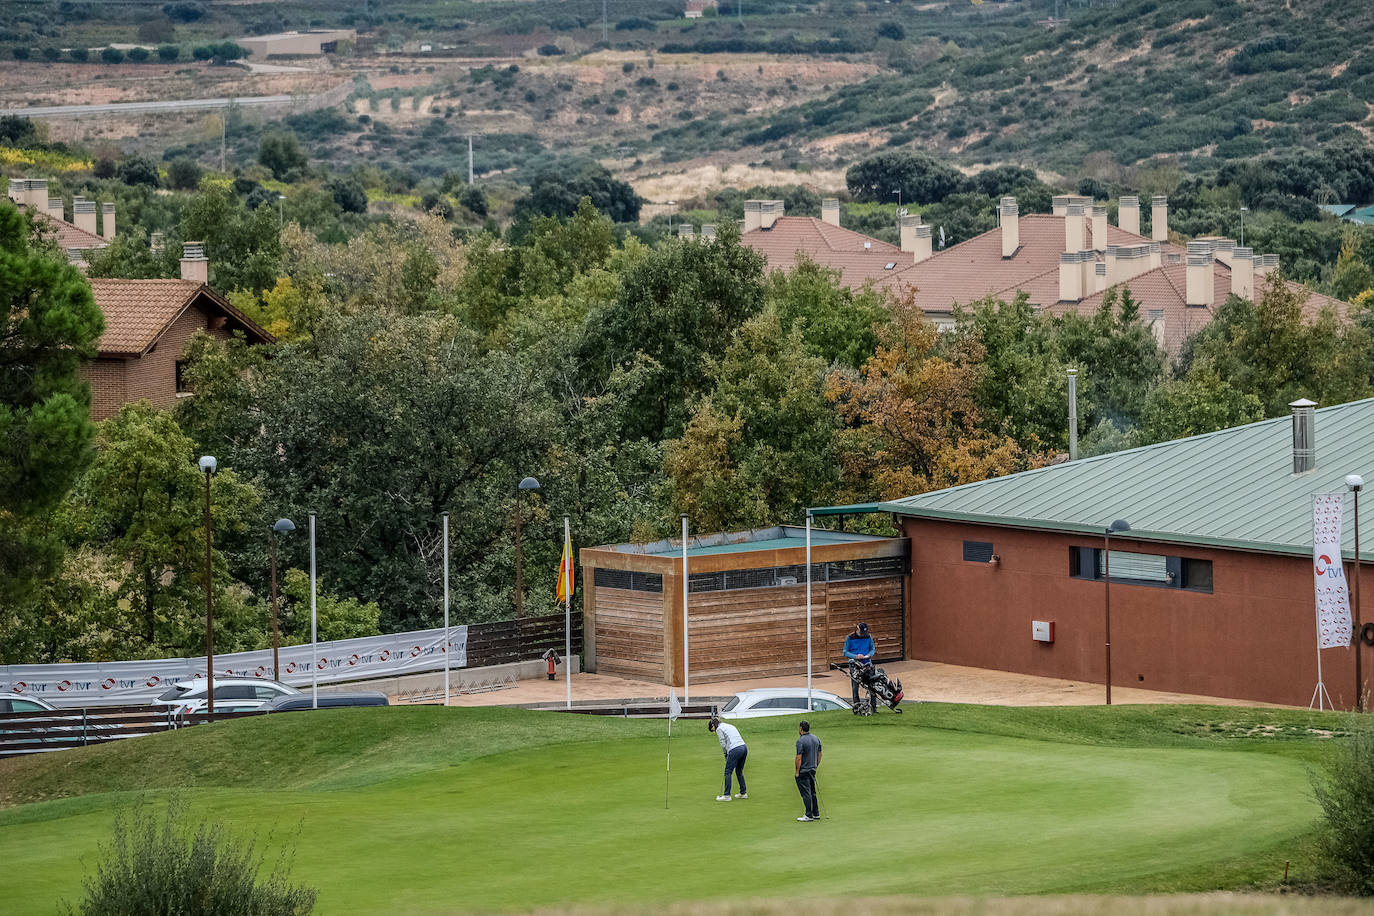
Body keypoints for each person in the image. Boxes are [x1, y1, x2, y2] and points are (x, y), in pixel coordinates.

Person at [708, 716, 747, 801]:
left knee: (728, 772)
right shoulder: (729, 725)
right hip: (744, 747)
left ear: (713, 725)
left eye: (713, 729)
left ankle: (727, 795)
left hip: (735, 749)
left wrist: (725, 754)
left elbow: (723, 743)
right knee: (739, 771)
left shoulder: (719, 729)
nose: (714, 731)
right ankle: (743, 793)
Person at [843, 621, 876, 712]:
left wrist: (869, 655)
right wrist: (856, 656)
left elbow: (872, 649)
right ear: (857, 630)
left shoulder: (868, 637)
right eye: (861, 632)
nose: (862, 635)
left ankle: (873, 707)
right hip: (855, 664)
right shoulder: (850, 638)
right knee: (855, 686)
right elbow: (845, 652)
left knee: (872, 684)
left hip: (867, 663)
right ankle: (857, 707)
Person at [794, 720, 822, 821]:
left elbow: (798, 758)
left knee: (806, 793)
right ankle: (816, 813)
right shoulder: (816, 739)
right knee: (813, 792)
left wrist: (797, 772)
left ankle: (809, 815)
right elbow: (819, 754)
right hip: (812, 769)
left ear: (801, 729)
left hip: (804, 770)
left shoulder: (800, 741)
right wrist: (816, 766)